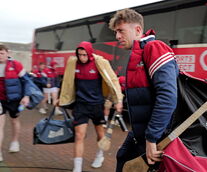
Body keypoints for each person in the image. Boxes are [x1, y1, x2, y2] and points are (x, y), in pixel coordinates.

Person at [109, 9, 179, 171]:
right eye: (115, 32)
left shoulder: (154, 48)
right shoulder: (138, 53)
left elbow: (168, 96)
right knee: (123, 157)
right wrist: (117, 82)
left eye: (121, 31)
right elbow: (143, 88)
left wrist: (151, 138)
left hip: (157, 134)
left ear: (138, 30)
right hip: (140, 132)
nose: (117, 37)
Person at [58, 41, 123, 172]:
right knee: (79, 135)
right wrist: (62, 97)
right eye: (79, 55)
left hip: (96, 105)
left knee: (100, 134)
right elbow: (67, 82)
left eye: (84, 55)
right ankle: (77, 167)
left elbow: (113, 80)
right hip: (80, 105)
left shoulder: (100, 63)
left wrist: (118, 100)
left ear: (89, 53)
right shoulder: (73, 63)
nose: (81, 58)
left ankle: (100, 155)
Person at [0, 44, 31, 161]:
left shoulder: (16, 65)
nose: (0, 56)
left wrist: (26, 96)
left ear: (7, 53)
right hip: (0, 100)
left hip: (14, 99)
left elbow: (27, 81)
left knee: (14, 121)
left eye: (2, 53)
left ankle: (15, 141)